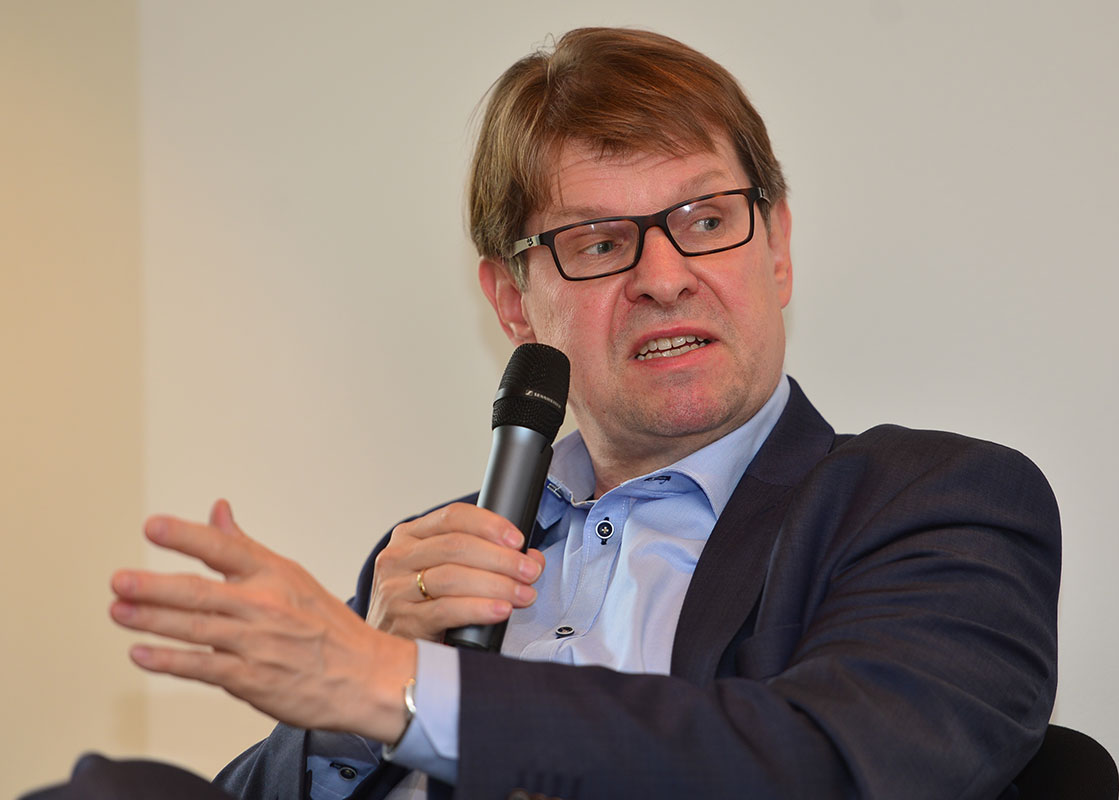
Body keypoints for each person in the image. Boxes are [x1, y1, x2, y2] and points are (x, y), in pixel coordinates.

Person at [108, 27, 1060, 800]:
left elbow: (837, 766)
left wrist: (398, 687)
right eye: (599, 243)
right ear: (513, 302)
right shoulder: (437, 551)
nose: (664, 278)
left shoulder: (930, 504)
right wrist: (351, 707)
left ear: (776, 249)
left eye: (706, 221)